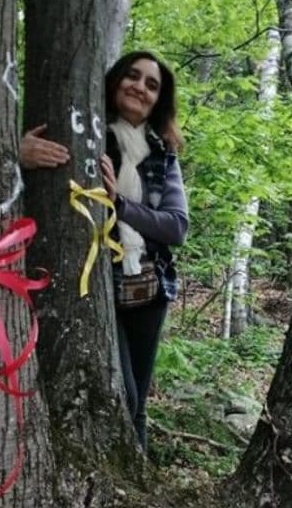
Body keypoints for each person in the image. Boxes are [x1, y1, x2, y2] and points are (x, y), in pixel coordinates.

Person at [20, 51, 188, 451]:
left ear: (159, 100)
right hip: (96, 284)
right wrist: (17, 155)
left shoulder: (161, 155)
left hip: (148, 290)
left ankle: (138, 473)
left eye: (152, 84)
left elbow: (176, 226)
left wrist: (121, 204)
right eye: (133, 76)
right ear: (114, 81)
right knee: (120, 392)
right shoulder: (85, 135)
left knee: (137, 402)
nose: (140, 87)